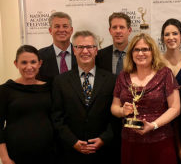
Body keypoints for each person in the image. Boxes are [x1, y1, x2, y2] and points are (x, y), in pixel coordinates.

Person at [111, 33, 180, 164]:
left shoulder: (165, 74)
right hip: (130, 142)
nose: (140, 53)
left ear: (153, 52)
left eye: (145, 49)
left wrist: (153, 125)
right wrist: (122, 111)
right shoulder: (122, 76)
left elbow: (175, 108)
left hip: (160, 142)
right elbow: (114, 107)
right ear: (131, 53)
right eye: (136, 49)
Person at [51, 30, 115, 164]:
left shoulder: (111, 80)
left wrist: (104, 139)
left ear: (96, 50)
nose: (85, 51)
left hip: (104, 152)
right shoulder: (60, 81)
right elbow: (57, 117)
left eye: (89, 47)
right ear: (74, 50)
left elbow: (115, 117)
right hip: (71, 152)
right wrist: (73, 141)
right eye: (80, 47)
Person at [0, 45, 55, 164]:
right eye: (24, 62)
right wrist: (4, 158)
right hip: (16, 156)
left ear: (40, 63)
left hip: (48, 155)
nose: (29, 67)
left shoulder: (50, 88)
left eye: (33, 62)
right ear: (16, 64)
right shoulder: (5, 90)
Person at [95, 12, 132, 164]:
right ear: (109, 30)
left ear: (129, 30)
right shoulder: (100, 55)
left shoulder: (139, 54)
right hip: (106, 119)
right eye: (114, 27)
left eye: (122, 27)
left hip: (134, 118)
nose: (118, 31)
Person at [37, 11, 77, 83]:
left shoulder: (81, 53)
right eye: (57, 26)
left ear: (71, 30)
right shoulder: (40, 55)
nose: (61, 30)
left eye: (65, 26)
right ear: (50, 30)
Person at [161, 18, 181, 86]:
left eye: (175, 34)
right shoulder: (157, 62)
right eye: (167, 34)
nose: (171, 37)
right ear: (163, 38)